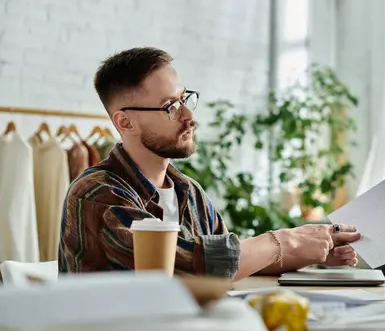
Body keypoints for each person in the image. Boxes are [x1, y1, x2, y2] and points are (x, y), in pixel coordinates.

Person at [58, 47, 360, 280]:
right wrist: (285, 240)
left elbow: (233, 263)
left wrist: (313, 251)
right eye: (170, 107)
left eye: (184, 99)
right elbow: (191, 265)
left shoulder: (188, 192)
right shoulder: (96, 193)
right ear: (125, 122)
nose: (189, 117)